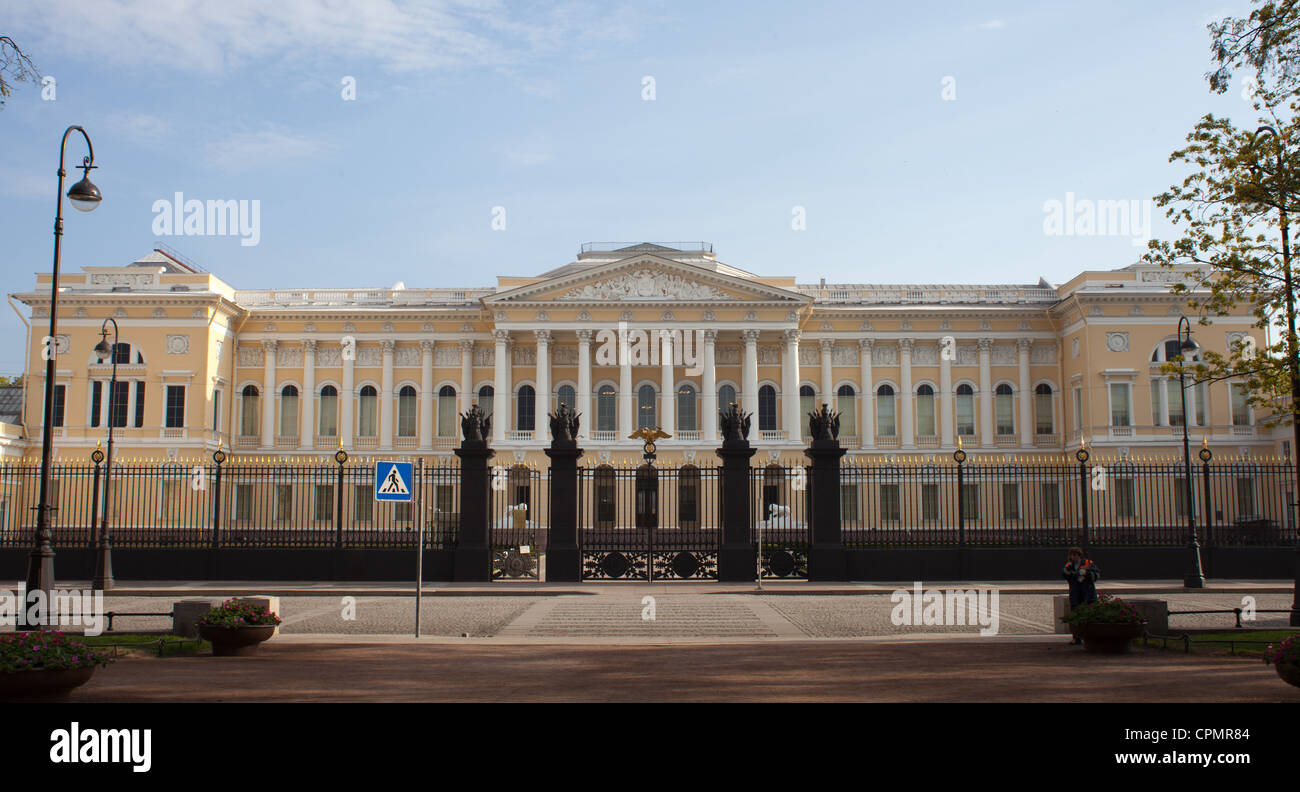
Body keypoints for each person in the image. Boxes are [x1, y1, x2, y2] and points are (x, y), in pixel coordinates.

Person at [1062, 547, 1099, 645]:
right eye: (1071, 555)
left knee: (1090, 615)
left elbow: (1096, 575)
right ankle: (1076, 637)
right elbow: (1065, 575)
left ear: (1079, 555)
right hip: (1075, 593)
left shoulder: (1088, 563)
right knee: (1076, 615)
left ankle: (1090, 636)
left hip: (1088, 593)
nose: (1073, 557)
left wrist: (1086, 573)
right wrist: (1069, 571)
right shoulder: (1069, 565)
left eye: (1074, 555)